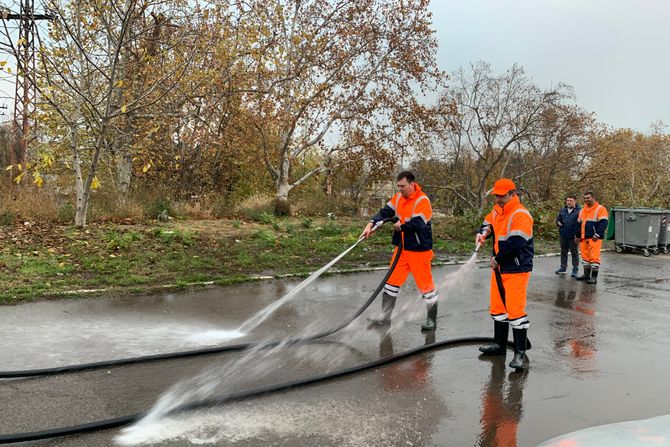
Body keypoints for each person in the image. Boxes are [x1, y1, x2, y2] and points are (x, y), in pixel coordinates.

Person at [360, 171, 438, 331]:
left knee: (426, 286)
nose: (400, 189)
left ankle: (431, 320)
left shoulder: (422, 200)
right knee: (391, 282)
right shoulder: (398, 198)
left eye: (402, 186)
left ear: (412, 184)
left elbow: (418, 223)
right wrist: (371, 224)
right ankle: (385, 317)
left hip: (419, 250)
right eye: (398, 186)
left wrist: (401, 226)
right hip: (401, 249)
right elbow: (384, 212)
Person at [475, 178, 534, 370]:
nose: (498, 199)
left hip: (516, 268)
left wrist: (497, 259)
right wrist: (483, 233)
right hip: (499, 267)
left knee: (515, 312)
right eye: (497, 195)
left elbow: (516, 244)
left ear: (512, 193)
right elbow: (488, 223)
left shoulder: (521, 214)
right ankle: (499, 345)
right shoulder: (497, 210)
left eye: (502, 195)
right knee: (498, 308)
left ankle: (520, 355)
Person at [574, 191, 608, 284]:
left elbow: (604, 223)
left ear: (593, 198)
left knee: (594, 257)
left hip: (594, 238)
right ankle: (586, 275)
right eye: (585, 198)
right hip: (583, 238)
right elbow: (579, 224)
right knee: (585, 257)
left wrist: (597, 234)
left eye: (588, 198)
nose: (586, 200)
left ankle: (594, 277)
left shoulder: (600, 209)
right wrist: (577, 236)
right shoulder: (582, 210)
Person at [555, 195, 581, 277]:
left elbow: (581, 224)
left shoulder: (579, 211)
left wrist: (578, 235)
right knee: (563, 252)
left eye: (571, 200)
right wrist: (558, 223)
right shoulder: (562, 210)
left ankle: (575, 270)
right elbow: (558, 219)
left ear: (575, 201)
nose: (569, 202)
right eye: (568, 200)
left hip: (573, 236)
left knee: (574, 253)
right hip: (563, 235)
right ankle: (563, 268)